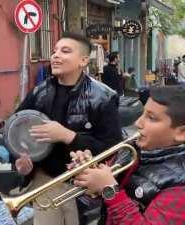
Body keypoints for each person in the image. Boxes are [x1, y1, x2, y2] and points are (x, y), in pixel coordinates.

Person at [14, 33, 122, 225]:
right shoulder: (40, 91)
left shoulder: (104, 97)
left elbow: (112, 148)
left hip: (83, 187)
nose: (55, 55)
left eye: (65, 51)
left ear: (83, 61)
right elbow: (19, 129)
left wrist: (68, 136)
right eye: (55, 51)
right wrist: (24, 161)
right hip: (45, 180)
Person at [71, 85, 185, 224]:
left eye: (152, 118)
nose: (137, 123)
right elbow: (98, 198)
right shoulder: (131, 151)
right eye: (143, 113)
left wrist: (109, 189)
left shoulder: (179, 185)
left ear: (181, 133)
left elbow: (112, 194)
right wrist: (88, 173)